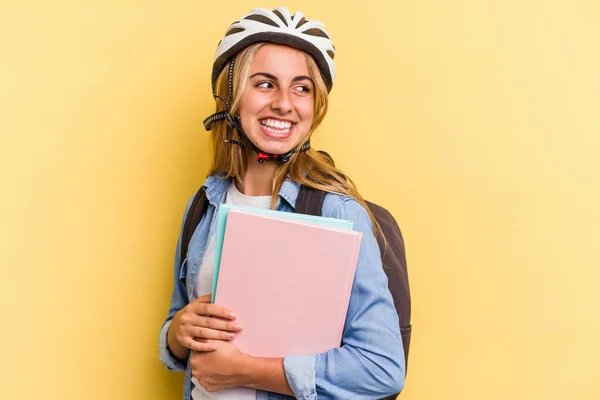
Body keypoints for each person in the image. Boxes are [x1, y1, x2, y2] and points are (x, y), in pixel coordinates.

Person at [158, 7, 405, 400]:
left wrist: (246, 371)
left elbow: (382, 368)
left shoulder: (337, 213)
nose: (285, 103)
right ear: (231, 96)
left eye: (301, 87)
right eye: (265, 84)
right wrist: (176, 334)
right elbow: (180, 323)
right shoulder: (203, 204)